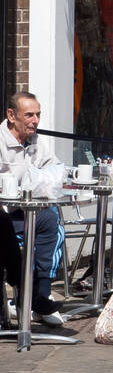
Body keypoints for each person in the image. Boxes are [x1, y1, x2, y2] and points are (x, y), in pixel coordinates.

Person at [0, 92, 66, 326]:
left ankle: (41, 294)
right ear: (11, 115)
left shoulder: (37, 141)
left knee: (51, 219)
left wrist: (45, 183)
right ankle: (29, 294)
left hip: (29, 211)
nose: (35, 120)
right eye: (29, 115)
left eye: (38, 115)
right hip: (5, 214)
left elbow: (57, 169)